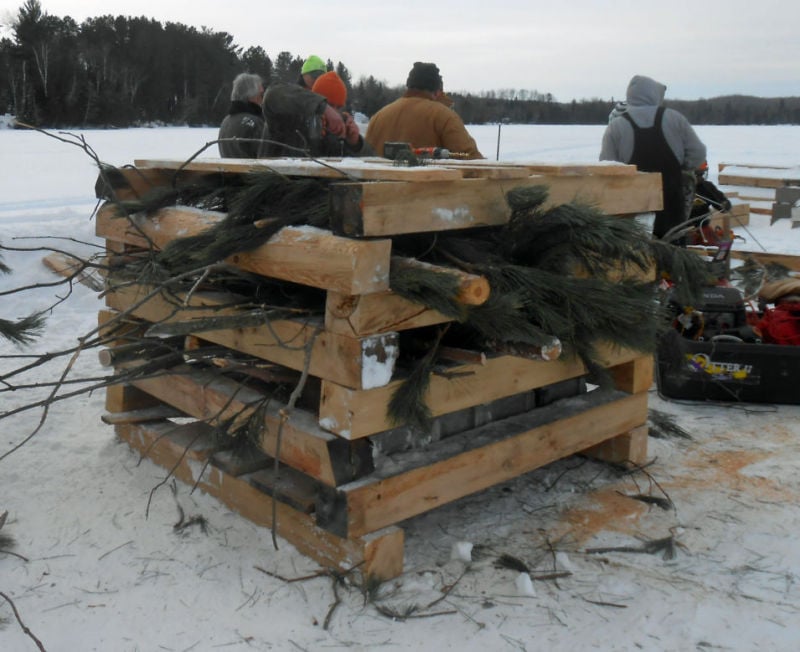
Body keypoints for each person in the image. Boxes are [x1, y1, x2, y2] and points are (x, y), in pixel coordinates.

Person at [600, 75, 706, 245]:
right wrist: (682, 169)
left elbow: (607, 166)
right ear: (653, 94)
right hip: (671, 202)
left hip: (634, 206)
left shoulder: (616, 126)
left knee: (639, 258)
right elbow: (698, 153)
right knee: (674, 253)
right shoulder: (675, 118)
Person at [365, 62, 484, 160]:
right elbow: (472, 161)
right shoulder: (444, 116)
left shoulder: (379, 116)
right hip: (429, 188)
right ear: (437, 91)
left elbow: (366, 159)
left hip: (381, 187)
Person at [260, 71, 372, 157]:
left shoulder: (335, 133)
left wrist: (355, 144)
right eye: (330, 105)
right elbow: (272, 94)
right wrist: (322, 108)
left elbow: (369, 166)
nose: (335, 112)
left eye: (338, 107)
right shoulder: (289, 117)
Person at [218, 73, 266, 158]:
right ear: (252, 95)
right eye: (261, 94)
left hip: (229, 170)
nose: (263, 99)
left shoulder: (226, 121)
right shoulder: (255, 123)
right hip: (252, 170)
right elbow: (268, 157)